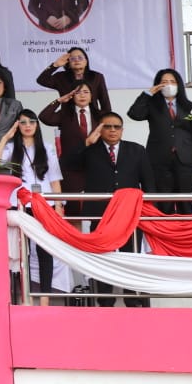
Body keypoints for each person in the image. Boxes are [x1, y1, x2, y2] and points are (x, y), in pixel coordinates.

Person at [82, 113, 155, 307]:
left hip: (129, 213)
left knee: (129, 256)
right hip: (100, 213)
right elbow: (67, 164)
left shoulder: (136, 150)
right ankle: (105, 299)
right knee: (102, 256)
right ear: (100, 129)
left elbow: (148, 182)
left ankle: (132, 298)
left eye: (117, 127)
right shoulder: (90, 151)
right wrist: (87, 143)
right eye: (108, 126)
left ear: (122, 129)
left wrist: (148, 212)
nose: (113, 130)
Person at [0, 111, 63, 306]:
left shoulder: (46, 147)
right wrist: (5, 137)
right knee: (22, 251)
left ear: (37, 125)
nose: (28, 125)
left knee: (44, 251)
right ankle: (25, 297)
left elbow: (54, 179)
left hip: (44, 204)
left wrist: (59, 205)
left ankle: (45, 298)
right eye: (23, 122)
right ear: (17, 126)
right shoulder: (11, 147)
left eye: (31, 121)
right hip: (20, 204)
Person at [127, 69, 192, 215]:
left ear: (179, 85)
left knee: (185, 205)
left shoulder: (189, 106)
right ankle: (165, 229)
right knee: (164, 205)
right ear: (158, 85)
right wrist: (147, 94)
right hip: (159, 162)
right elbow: (134, 114)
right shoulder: (152, 105)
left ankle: (185, 229)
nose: (168, 85)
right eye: (164, 82)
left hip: (186, 162)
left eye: (172, 82)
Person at [38, 83, 99, 218]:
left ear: (92, 96)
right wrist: (59, 101)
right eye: (78, 92)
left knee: (97, 213)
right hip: (70, 169)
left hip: (94, 168)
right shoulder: (65, 115)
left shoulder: (99, 115)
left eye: (86, 92)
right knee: (73, 213)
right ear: (72, 96)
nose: (82, 95)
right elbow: (44, 117)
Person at [36, 47, 111, 114]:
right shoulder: (61, 77)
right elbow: (41, 80)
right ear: (68, 63)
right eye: (73, 58)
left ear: (86, 62)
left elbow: (105, 102)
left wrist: (107, 120)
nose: (77, 60)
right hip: (68, 118)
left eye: (80, 57)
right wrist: (55, 65)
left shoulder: (97, 77)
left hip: (92, 118)